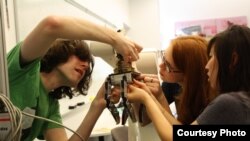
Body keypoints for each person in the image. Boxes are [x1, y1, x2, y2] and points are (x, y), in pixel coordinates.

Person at [7, 15, 142, 141]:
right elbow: (52, 25)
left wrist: (97, 105)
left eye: (88, 65)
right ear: (61, 52)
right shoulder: (24, 69)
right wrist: (115, 38)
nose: (85, 65)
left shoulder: (50, 105)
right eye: (80, 56)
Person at [127, 25, 250, 141]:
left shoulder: (229, 103)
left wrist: (146, 99)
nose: (207, 65)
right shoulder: (242, 100)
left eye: (212, 56)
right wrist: (155, 97)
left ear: (233, 60)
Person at [137, 35, 216, 124]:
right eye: (163, 58)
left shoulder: (213, 103)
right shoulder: (171, 84)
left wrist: (152, 98)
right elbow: (145, 120)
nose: (160, 66)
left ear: (188, 74)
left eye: (168, 66)